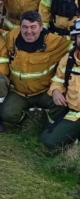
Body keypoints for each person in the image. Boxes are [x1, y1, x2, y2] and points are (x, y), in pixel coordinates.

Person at [1, 11, 71, 125]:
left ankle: (49, 125)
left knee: (60, 104)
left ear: (41, 27)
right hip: (18, 92)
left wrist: (56, 90)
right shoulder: (12, 36)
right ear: (20, 27)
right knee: (7, 115)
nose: (29, 31)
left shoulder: (54, 41)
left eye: (33, 27)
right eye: (25, 27)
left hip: (44, 92)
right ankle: (28, 119)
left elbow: (74, 45)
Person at [41, 20, 80, 149]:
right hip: (74, 114)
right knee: (48, 141)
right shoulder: (68, 60)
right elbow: (58, 80)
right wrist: (56, 91)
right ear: (75, 37)